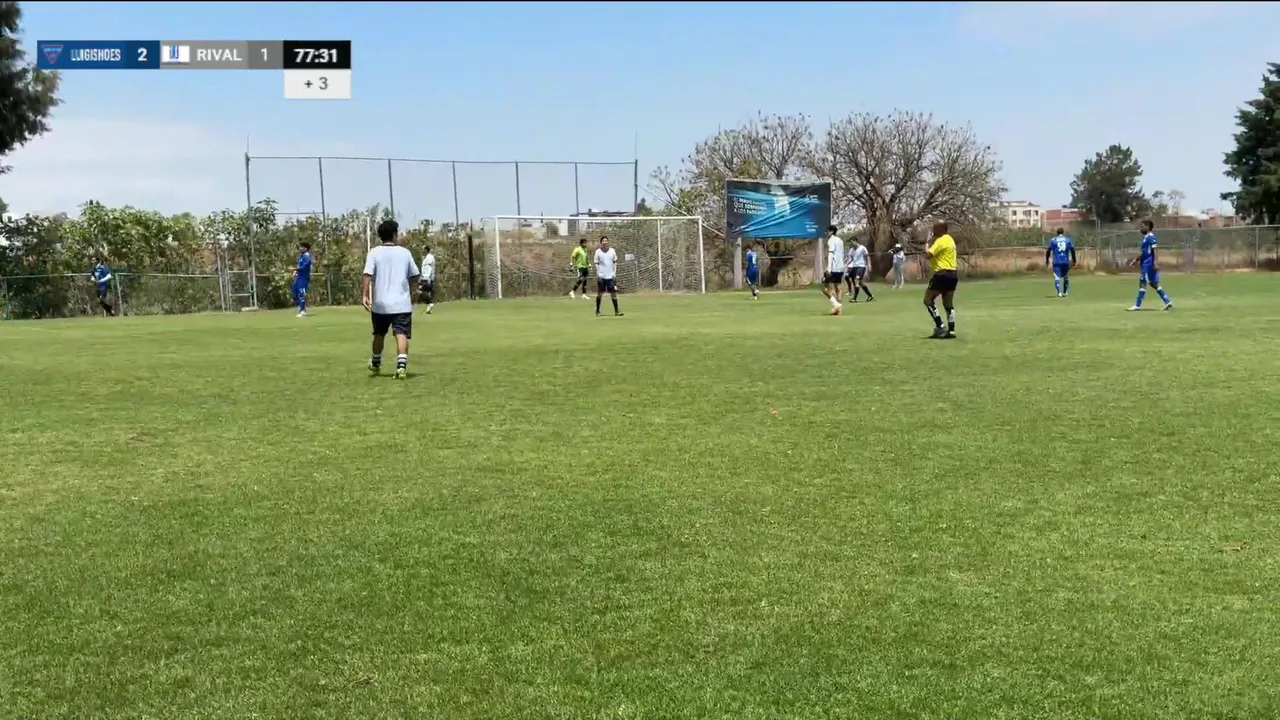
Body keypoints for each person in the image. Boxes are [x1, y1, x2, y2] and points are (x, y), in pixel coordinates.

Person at [362, 219, 420, 379]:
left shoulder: (374, 252)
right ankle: (401, 367)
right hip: (401, 303)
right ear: (394, 235)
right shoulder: (405, 253)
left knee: (379, 334)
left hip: (380, 304)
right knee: (401, 333)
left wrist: (365, 295)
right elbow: (415, 276)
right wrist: (416, 291)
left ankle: (375, 363)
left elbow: (367, 274)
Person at [923, 221, 958, 339]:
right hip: (953, 274)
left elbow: (928, 255)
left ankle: (940, 326)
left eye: (935, 228)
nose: (933, 230)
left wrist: (927, 243)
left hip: (941, 274)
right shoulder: (950, 239)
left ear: (942, 229)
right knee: (948, 304)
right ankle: (951, 330)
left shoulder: (941, 240)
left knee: (928, 300)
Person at [1129, 219, 1173, 311]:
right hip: (1146, 263)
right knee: (1153, 283)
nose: (1140, 229)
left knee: (1142, 282)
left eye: (1142, 227)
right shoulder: (1145, 238)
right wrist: (1136, 259)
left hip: (1148, 264)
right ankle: (1167, 301)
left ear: (1148, 227)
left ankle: (1137, 305)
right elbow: (1145, 252)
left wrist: (1155, 262)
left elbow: (1155, 250)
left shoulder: (1151, 237)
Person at [594, 235, 623, 317]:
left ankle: (617, 311)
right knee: (600, 293)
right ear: (601, 242)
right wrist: (598, 273)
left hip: (610, 276)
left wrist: (614, 273)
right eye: (603, 241)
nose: (605, 242)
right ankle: (597, 311)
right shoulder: (598, 252)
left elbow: (615, 262)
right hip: (602, 276)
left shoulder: (612, 251)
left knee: (613, 293)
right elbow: (596, 263)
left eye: (606, 241)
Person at [1045, 228, 1077, 298]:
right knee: (1066, 277)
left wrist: (1047, 260)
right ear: (1063, 232)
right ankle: (1065, 292)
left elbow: (1048, 251)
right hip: (1065, 261)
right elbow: (1072, 250)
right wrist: (1074, 260)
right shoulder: (1067, 240)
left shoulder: (1053, 240)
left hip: (1056, 262)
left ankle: (1059, 292)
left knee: (1057, 277)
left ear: (1057, 233)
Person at [822, 225, 844, 315]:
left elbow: (831, 255)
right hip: (841, 267)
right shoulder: (840, 240)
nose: (826, 233)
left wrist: (829, 269)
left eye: (827, 231)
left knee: (825, 288)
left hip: (834, 267)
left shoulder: (831, 241)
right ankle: (838, 310)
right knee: (838, 288)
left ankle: (836, 304)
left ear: (831, 232)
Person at [291, 242, 312, 317]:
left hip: (304, 277)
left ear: (305, 248)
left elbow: (305, 267)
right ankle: (301, 307)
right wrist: (295, 272)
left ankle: (302, 311)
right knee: (294, 291)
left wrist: (295, 269)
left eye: (302, 247)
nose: (300, 248)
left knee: (301, 293)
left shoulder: (307, 256)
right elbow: (300, 266)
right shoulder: (301, 256)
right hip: (299, 276)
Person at [419, 245, 436, 314]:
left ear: (426, 250)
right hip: (424, 277)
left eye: (423, 249)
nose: (422, 250)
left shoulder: (429, 257)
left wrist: (428, 278)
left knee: (422, 291)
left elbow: (429, 268)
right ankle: (429, 308)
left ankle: (430, 303)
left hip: (427, 278)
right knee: (426, 291)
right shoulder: (425, 257)